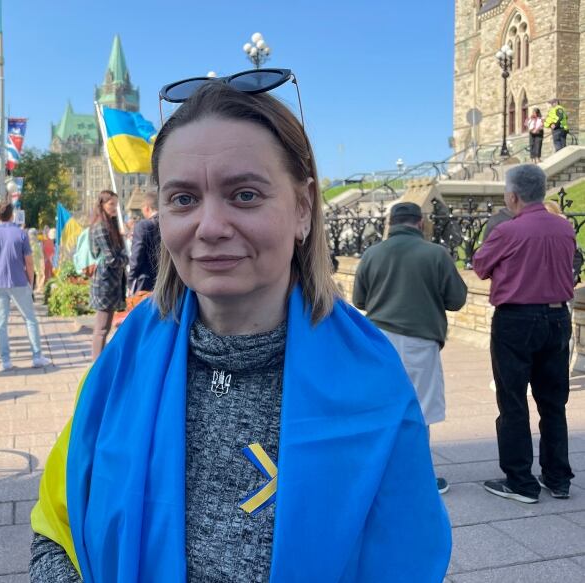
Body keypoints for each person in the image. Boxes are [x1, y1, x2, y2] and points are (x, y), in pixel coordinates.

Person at [29, 75, 450, 582]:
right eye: (183, 199)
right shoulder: (123, 362)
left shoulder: (375, 381)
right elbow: (56, 529)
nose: (210, 226)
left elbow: (409, 560)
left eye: (245, 194)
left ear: (301, 208)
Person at [474, 164, 576, 503]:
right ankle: (558, 478)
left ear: (512, 195)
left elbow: (480, 266)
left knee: (513, 401)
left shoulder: (508, 231)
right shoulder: (565, 229)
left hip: (516, 319)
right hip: (558, 317)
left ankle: (521, 481)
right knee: (553, 402)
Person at [353, 201, 468, 495]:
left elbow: (360, 301)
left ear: (391, 223)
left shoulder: (371, 253)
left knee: (381, 407)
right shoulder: (435, 253)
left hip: (378, 340)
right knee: (421, 411)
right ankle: (419, 477)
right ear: (420, 223)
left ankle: (379, 473)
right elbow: (456, 299)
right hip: (420, 339)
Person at [0, 202, 52, 372]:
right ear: (12, 214)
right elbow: (28, 260)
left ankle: (5, 360)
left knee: (0, 321)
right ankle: (36, 357)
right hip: (19, 281)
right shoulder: (21, 234)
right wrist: (30, 280)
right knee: (30, 319)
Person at [88, 190, 128, 360]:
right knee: (102, 328)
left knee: (105, 326)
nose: (114, 208)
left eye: (116, 205)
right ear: (102, 205)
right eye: (111, 204)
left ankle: (100, 361)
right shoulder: (101, 227)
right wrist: (126, 258)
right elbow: (111, 258)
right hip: (105, 283)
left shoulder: (109, 225)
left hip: (111, 282)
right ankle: (96, 364)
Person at [127, 190, 161, 294]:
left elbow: (136, 256)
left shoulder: (143, 225)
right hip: (167, 279)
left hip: (145, 280)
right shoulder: (168, 223)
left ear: (147, 207)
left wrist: (130, 278)